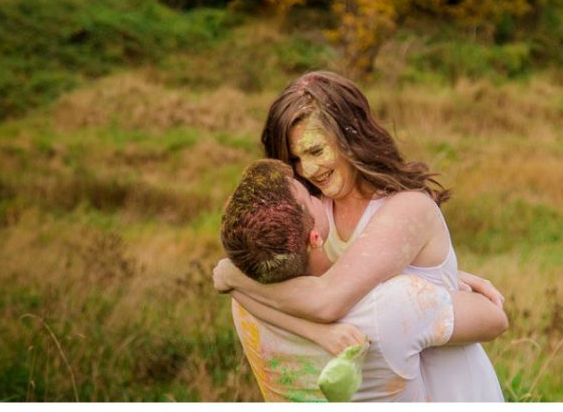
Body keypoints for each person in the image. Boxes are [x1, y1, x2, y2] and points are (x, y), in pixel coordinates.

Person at [213, 71, 506, 401]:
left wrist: (231, 276)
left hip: (452, 388)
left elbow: (330, 296)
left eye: (316, 150)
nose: (307, 170)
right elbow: (338, 281)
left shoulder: (404, 209)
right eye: (295, 159)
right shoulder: (316, 213)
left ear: (351, 136)